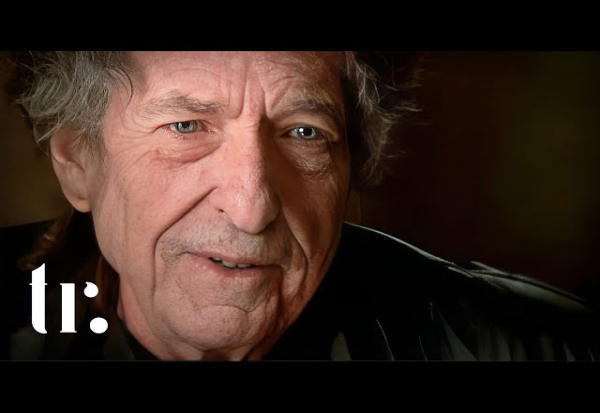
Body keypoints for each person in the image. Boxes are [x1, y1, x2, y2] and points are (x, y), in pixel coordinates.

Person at [3, 51, 599, 361]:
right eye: (186, 126)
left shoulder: (544, 347)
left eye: (304, 133)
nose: (251, 208)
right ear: (78, 163)